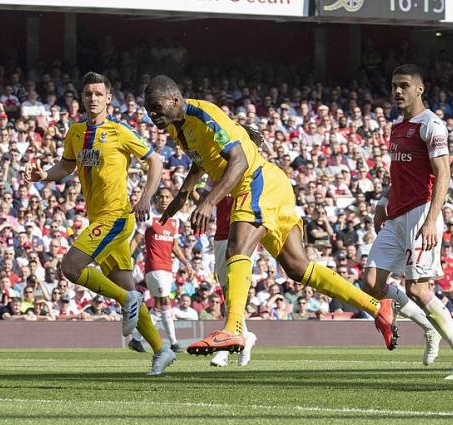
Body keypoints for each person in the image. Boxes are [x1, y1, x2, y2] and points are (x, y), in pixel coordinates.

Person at [144, 75, 396, 357]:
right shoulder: (177, 128)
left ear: (175, 99)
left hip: (256, 181)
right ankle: (377, 307)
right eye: (148, 109)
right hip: (270, 185)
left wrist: (208, 202)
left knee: (237, 249)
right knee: (298, 268)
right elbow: (200, 161)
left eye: (156, 107)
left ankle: (233, 329)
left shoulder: (205, 114)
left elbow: (239, 161)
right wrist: (178, 201)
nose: (152, 114)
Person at [22, 71, 175, 375]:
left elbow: (155, 160)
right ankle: (162, 349)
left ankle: (128, 299)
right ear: (82, 97)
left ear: (108, 98)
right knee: (125, 286)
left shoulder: (119, 131)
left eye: (98, 94)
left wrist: (146, 197)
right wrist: (44, 175)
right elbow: (67, 164)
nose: (93, 98)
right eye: (88, 93)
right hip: (99, 219)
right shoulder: (76, 132)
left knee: (71, 267)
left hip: (116, 217)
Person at [361, 64, 453, 380]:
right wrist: (382, 203)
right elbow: (399, 175)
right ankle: (429, 327)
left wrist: (431, 220)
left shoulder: (432, 125)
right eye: (393, 86)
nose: (397, 91)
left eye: (404, 85)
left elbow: (443, 174)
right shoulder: (397, 127)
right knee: (370, 283)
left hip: (420, 213)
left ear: (419, 89)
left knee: (417, 287)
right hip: (396, 215)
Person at [128, 186, 193, 353]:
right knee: (166, 302)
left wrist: (186, 263)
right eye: (161, 197)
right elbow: (135, 240)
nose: (164, 200)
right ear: (156, 200)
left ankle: (136, 339)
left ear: (172, 200)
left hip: (167, 268)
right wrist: (127, 260)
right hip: (154, 266)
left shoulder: (174, 220)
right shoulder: (149, 217)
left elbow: (175, 246)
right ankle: (174, 343)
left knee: (158, 307)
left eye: (167, 197)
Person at [209, 194, 257, 367]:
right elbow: (205, 200)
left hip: (244, 237)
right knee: (227, 296)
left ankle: (225, 348)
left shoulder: (252, 180)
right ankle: (246, 337)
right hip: (221, 236)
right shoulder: (217, 179)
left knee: (233, 295)